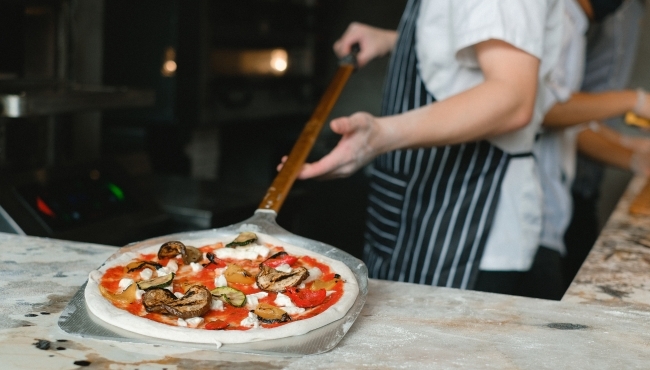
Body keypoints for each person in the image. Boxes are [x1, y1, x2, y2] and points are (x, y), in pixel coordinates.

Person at [282, 0, 563, 292]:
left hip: (466, 223)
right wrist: (399, 40)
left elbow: (513, 98)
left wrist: (377, 135)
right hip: (419, 209)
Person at [520, 0, 650, 300]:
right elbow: (545, 107)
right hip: (531, 215)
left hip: (553, 203)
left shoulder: (577, 23)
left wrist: (633, 152)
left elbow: (575, 116)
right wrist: (635, 101)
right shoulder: (559, 17)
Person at [564, 0, 647, 288]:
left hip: (584, 179)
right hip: (559, 181)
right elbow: (558, 110)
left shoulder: (632, 10)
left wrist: (633, 147)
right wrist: (634, 101)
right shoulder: (590, 11)